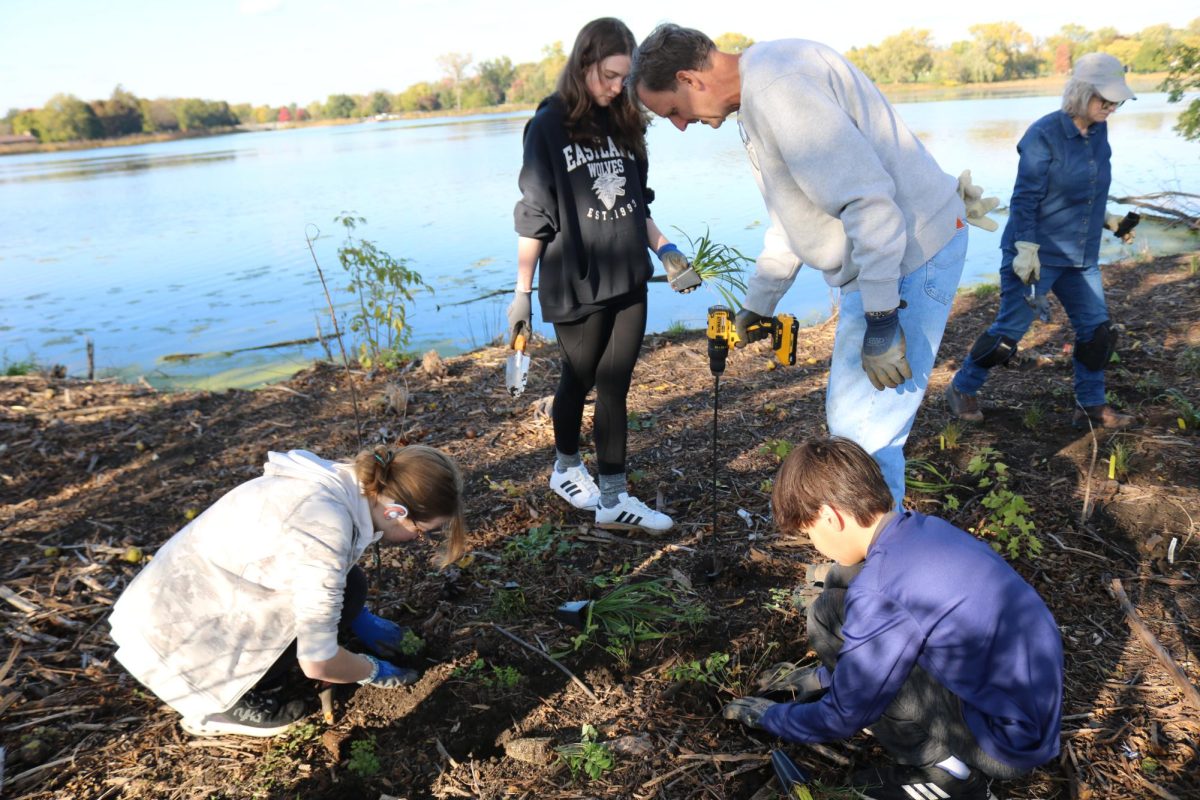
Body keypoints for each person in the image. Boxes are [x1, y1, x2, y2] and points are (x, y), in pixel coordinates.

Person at [631, 25, 999, 508]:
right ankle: (868, 557)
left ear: (689, 78)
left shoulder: (779, 92)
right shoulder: (763, 84)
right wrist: (758, 306)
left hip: (906, 256)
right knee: (854, 427)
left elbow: (869, 205)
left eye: (673, 111)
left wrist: (883, 318)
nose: (680, 125)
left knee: (865, 434)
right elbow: (795, 217)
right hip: (888, 254)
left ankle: (870, 567)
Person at [723, 437, 1062, 800]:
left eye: (809, 533)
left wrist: (771, 718)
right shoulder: (923, 529)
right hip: (1026, 710)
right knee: (832, 607)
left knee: (860, 658)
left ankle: (948, 774)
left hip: (1002, 743)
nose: (815, 546)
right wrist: (824, 677)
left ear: (829, 517)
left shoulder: (882, 590)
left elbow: (844, 715)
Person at [109, 445, 467, 737]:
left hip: (194, 592)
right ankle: (221, 709)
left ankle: (320, 640)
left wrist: (361, 621)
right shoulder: (325, 528)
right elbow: (318, 661)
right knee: (321, 619)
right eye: (421, 531)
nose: (419, 540)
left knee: (351, 586)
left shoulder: (345, 484)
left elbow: (330, 575)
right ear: (395, 510)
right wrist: (373, 670)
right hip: (184, 638)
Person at [508, 17, 699, 533]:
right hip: (577, 280)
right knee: (580, 377)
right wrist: (521, 293)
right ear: (585, 63)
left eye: (624, 78)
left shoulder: (625, 121)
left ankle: (614, 499)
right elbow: (535, 213)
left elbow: (638, 204)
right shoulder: (548, 125)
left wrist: (668, 251)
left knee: (615, 387)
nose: (619, 87)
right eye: (611, 76)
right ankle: (566, 466)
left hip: (629, 277)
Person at [945, 53, 1137, 430]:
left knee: (1097, 332)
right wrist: (1026, 248)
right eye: (1105, 100)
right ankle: (962, 388)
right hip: (1035, 254)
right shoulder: (1043, 135)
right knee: (1008, 333)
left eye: (1117, 101)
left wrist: (1109, 219)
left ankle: (1090, 406)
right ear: (1082, 93)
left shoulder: (1099, 133)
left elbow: (1088, 190)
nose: (1112, 107)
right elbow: (1026, 198)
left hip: (1081, 256)